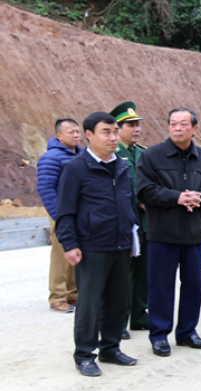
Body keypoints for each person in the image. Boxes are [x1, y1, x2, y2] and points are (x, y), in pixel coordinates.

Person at [56, 112, 137, 376]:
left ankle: (111, 348)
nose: (113, 137)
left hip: (121, 245)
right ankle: (84, 355)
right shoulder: (76, 168)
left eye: (115, 131)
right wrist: (70, 244)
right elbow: (65, 211)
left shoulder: (122, 165)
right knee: (89, 303)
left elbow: (129, 203)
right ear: (89, 135)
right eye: (107, 132)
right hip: (91, 246)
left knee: (117, 300)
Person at [136, 107, 201, 357]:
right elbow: (144, 190)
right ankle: (159, 335)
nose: (177, 128)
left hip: (194, 233)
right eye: (173, 123)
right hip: (162, 233)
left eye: (183, 124)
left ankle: (187, 332)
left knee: (193, 285)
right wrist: (178, 197)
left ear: (194, 129)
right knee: (161, 286)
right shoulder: (152, 156)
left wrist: (200, 197)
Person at [110, 101, 149, 340]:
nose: (136, 129)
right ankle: (119, 321)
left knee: (143, 271)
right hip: (125, 221)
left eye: (137, 125)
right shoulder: (113, 154)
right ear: (118, 128)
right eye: (130, 125)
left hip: (145, 221)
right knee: (123, 274)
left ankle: (139, 316)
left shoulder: (142, 153)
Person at [36, 118, 83, 313]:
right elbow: (46, 188)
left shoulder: (80, 155)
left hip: (76, 211)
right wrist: (59, 216)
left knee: (75, 252)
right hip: (60, 213)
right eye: (71, 132)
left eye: (77, 131)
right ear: (59, 136)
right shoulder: (51, 158)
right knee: (60, 254)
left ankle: (72, 293)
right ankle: (57, 296)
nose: (76, 135)